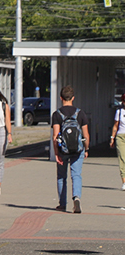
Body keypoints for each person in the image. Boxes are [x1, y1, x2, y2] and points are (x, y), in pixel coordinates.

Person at [51, 84, 90, 213]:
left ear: (61, 97)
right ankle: (76, 198)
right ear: (73, 98)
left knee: (62, 177)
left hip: (63, 150)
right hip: (78, 150)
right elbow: (86, 135)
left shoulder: (57, 114)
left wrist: (56, 153)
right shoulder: (80, 113)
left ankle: (62, 204)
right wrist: (86, 148)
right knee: (76, 175)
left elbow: (55, 136)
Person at [111, 93, 125, 191]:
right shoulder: (119, 112)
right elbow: (115, 126)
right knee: (122, 158)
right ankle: (124, 182)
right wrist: (112, 137)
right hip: (121, 136)